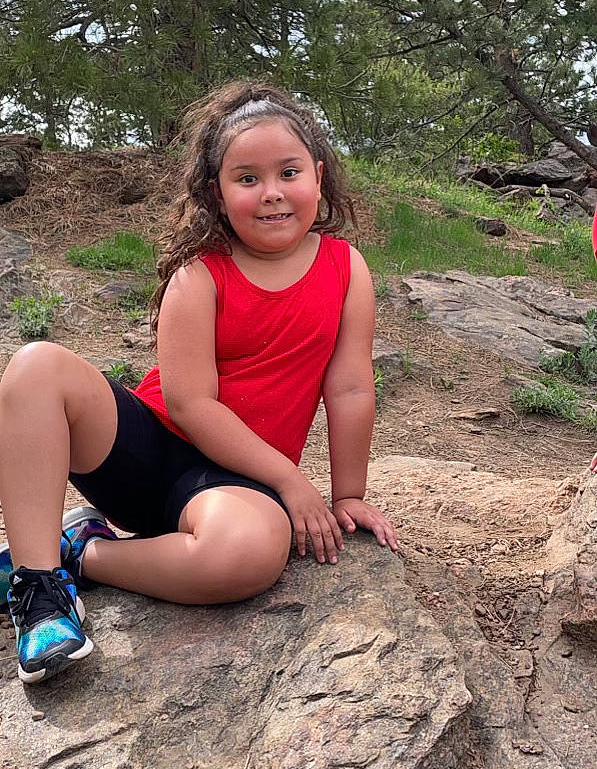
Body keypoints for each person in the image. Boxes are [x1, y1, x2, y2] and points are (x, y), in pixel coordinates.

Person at [0, 80, 398, 685]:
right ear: (217, 192)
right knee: (36, 365)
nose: (271, 194)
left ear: (317, 176)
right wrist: (294, 479)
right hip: (147, 455)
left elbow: (349, 388)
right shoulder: (200, 274)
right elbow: (187, 404)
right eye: (247, 179)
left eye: (289, 172)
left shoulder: (346, 270)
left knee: (248, 554)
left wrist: (347, 495)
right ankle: (38, 588)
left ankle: (81, 554)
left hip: (233, 482)